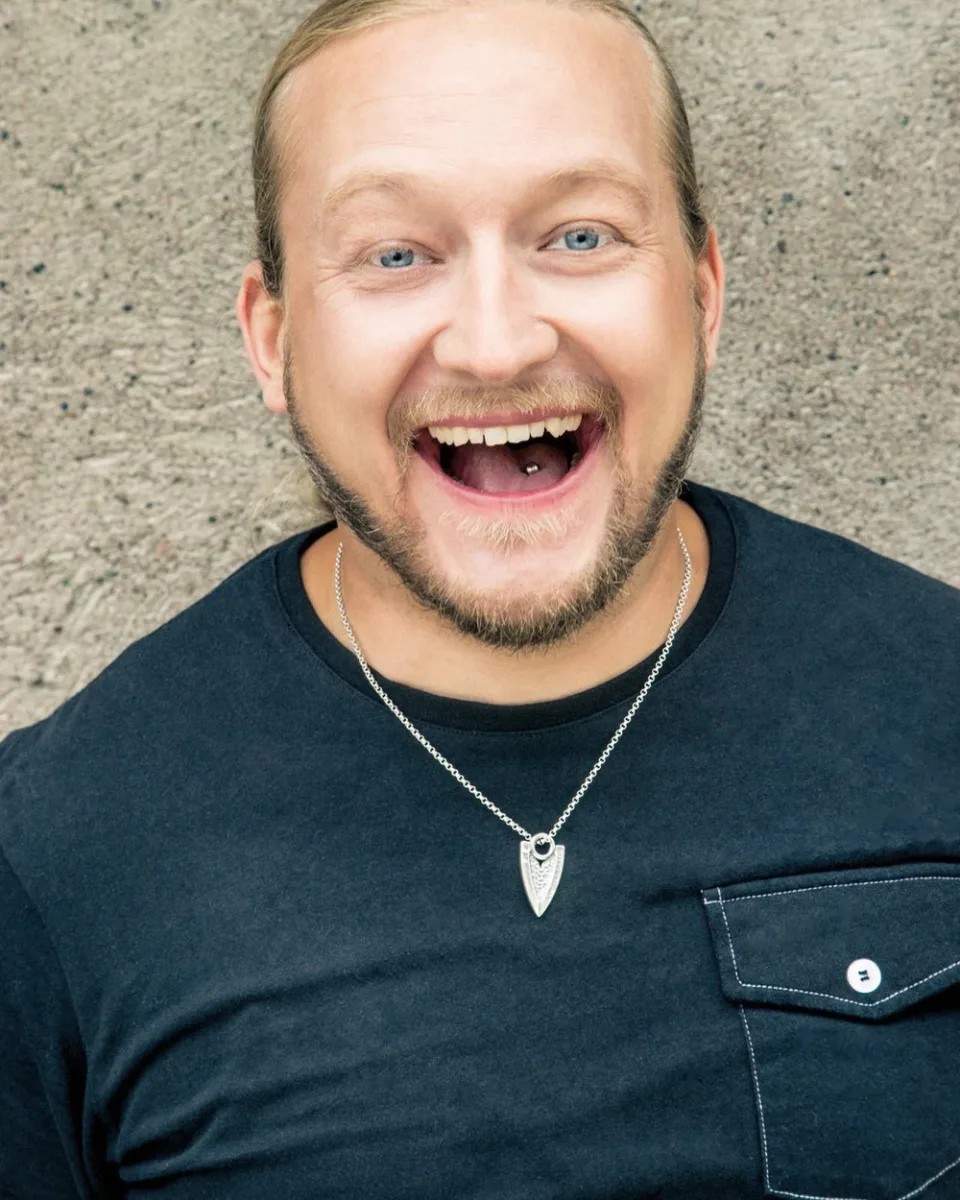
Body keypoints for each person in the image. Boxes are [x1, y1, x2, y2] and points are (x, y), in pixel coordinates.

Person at [1, 0, 957, 1196]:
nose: (497, 345)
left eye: (581, 236)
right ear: (272, 339)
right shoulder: (49, 855)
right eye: (395, 255)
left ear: (704, 294)